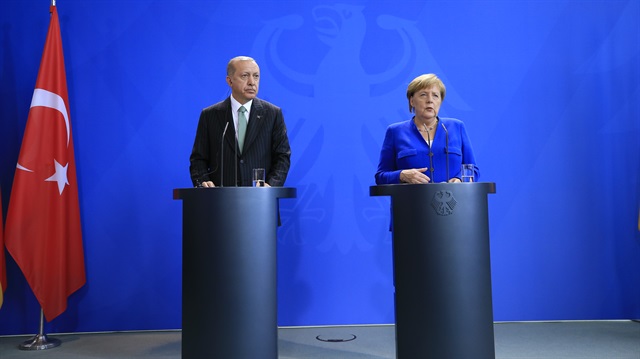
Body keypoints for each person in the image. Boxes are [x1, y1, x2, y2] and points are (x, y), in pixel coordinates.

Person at [190, 56, 291, 187]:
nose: (252, 82)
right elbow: (198, 159)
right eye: (245, 76)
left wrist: (271, 186)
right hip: (220, 200)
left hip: (260, 200)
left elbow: (282, 156)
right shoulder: (210, 115)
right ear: (230, 81)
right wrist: (203, 182)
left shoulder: (272, 114)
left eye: (256, 76)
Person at [375, 73, 479, 184]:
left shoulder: (457, 127)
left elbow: (473, 170)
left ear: (440, 101)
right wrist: (402, 175)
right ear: (412, 101)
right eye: (423, 95)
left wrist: (459, 179)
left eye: (435, 95)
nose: (430, 100)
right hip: (411, 200)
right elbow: (381, 176)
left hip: (453, 200)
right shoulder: (395, 131)